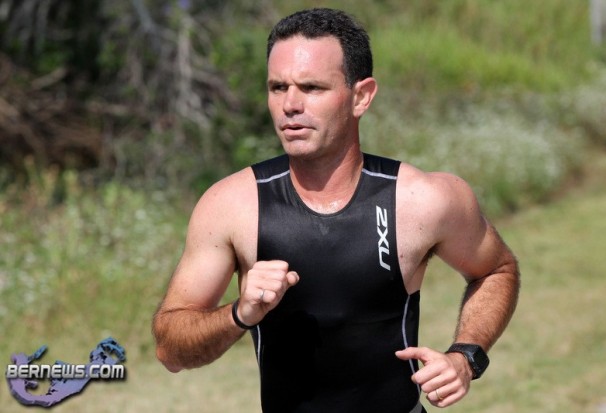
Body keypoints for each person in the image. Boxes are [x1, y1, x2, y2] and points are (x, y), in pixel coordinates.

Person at [152, 7, 520, 413]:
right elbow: (170, 349)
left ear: (361, 96)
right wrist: (239, 313)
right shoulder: (232, 205)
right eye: (278, 87)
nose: (290, 104)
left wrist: (465, 357)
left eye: (312, 88)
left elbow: (496, 270)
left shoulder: (422, 199)